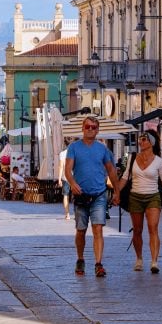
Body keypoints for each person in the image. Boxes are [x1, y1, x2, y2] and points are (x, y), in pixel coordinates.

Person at [65, 116, 120, 277]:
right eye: (88, 127)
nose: (90, 130)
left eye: (94, 127)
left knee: (98, 229)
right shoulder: (74, 147)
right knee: (81, 230)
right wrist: (72, 183)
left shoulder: (102, 149)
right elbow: (68, 169)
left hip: (99, 195)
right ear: (83, 128)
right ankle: (80, 258)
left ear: (98, 130)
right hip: (81, 195)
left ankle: (98, 263)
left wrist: (117, 191)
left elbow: (111, 170)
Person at [116, 131, 162, 273]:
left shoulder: (158, 162)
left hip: (152, 197)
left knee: (153, 228)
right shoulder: (132, 158)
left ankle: (154, 262)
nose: (140, 142)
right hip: (135, 197)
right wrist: (116, 193)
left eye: (144, 139)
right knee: (137, 230)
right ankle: (139, 259)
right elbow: (125, 178)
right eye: (140, 139)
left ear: (151, 143)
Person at [59, 140, 72, 220]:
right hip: (76, 177)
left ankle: (67, 214)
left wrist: (59, 178)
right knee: (78, 195)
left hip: (65, 177)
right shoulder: (76, 152)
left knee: (66, 195)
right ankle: (79, 213)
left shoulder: (62, 154)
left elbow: (61, 166)